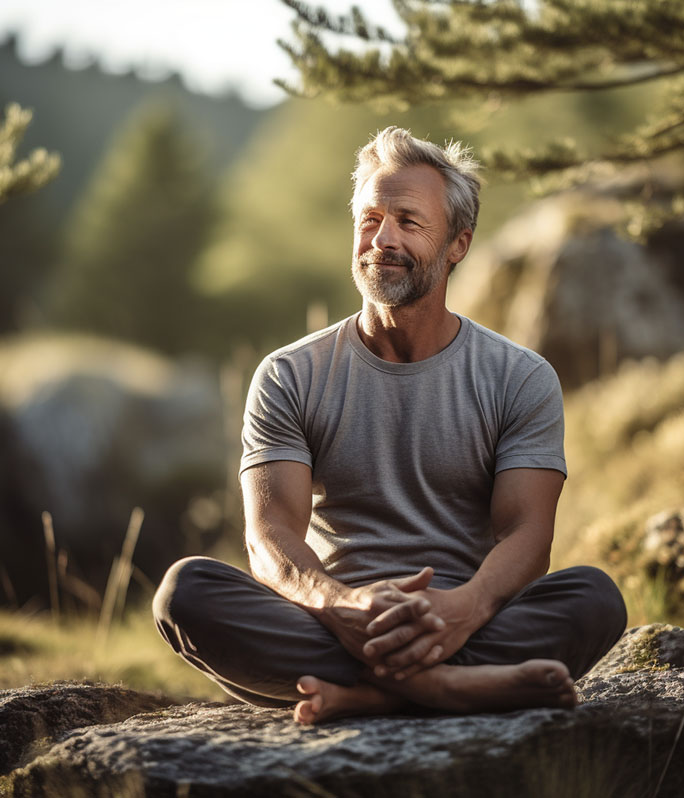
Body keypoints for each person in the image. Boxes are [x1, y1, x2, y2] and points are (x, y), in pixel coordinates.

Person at [153, 127, 627, 724]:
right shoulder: (289, 375)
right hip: (328, 622)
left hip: (466, 620)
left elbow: (528, 538)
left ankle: (366, 697)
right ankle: (451, 691)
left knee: (595, 597)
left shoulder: (520, 378)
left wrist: (464, 608)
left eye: (408, 221)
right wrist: (340, 604)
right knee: (186, 591)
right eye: (370, 219)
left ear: (458, 243)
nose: (382, 239)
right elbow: (268, 537)